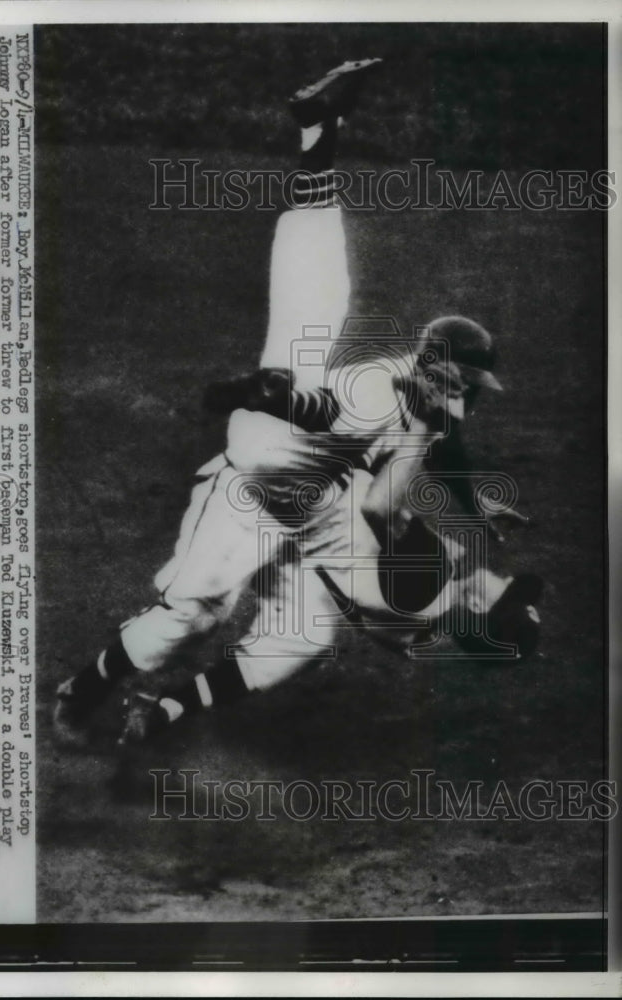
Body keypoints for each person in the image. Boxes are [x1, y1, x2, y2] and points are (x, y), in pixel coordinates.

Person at [53, 60, 540, 752]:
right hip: (265, 465)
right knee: (190, 613)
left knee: (301, 631)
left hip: (317, 493)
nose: (464, 394)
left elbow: (444, 452)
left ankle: (318, 135)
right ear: (433, 365)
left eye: (470, 386)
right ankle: (85, 690)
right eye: (458, 380)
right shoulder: (384, 390)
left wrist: (471, 504)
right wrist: (267, 397)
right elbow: (355, 456)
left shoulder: (435, 401)